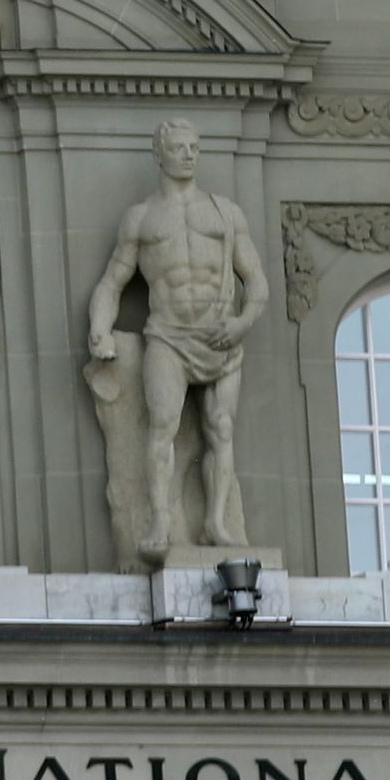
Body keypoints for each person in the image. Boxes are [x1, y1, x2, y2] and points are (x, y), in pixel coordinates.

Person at [83, 117, 269, 561]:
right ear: (159, 154)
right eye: (180, 147)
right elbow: (112, 283)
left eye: (194, 147)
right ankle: (162, 520)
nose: (189, 154)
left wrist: (242, 323)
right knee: (162, 426)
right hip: (167, 336)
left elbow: (257, 282)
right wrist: (99, 329)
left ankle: (217, 523)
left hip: (221, 336)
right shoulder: (142, 218)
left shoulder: (225, 213)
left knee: (221, 429)